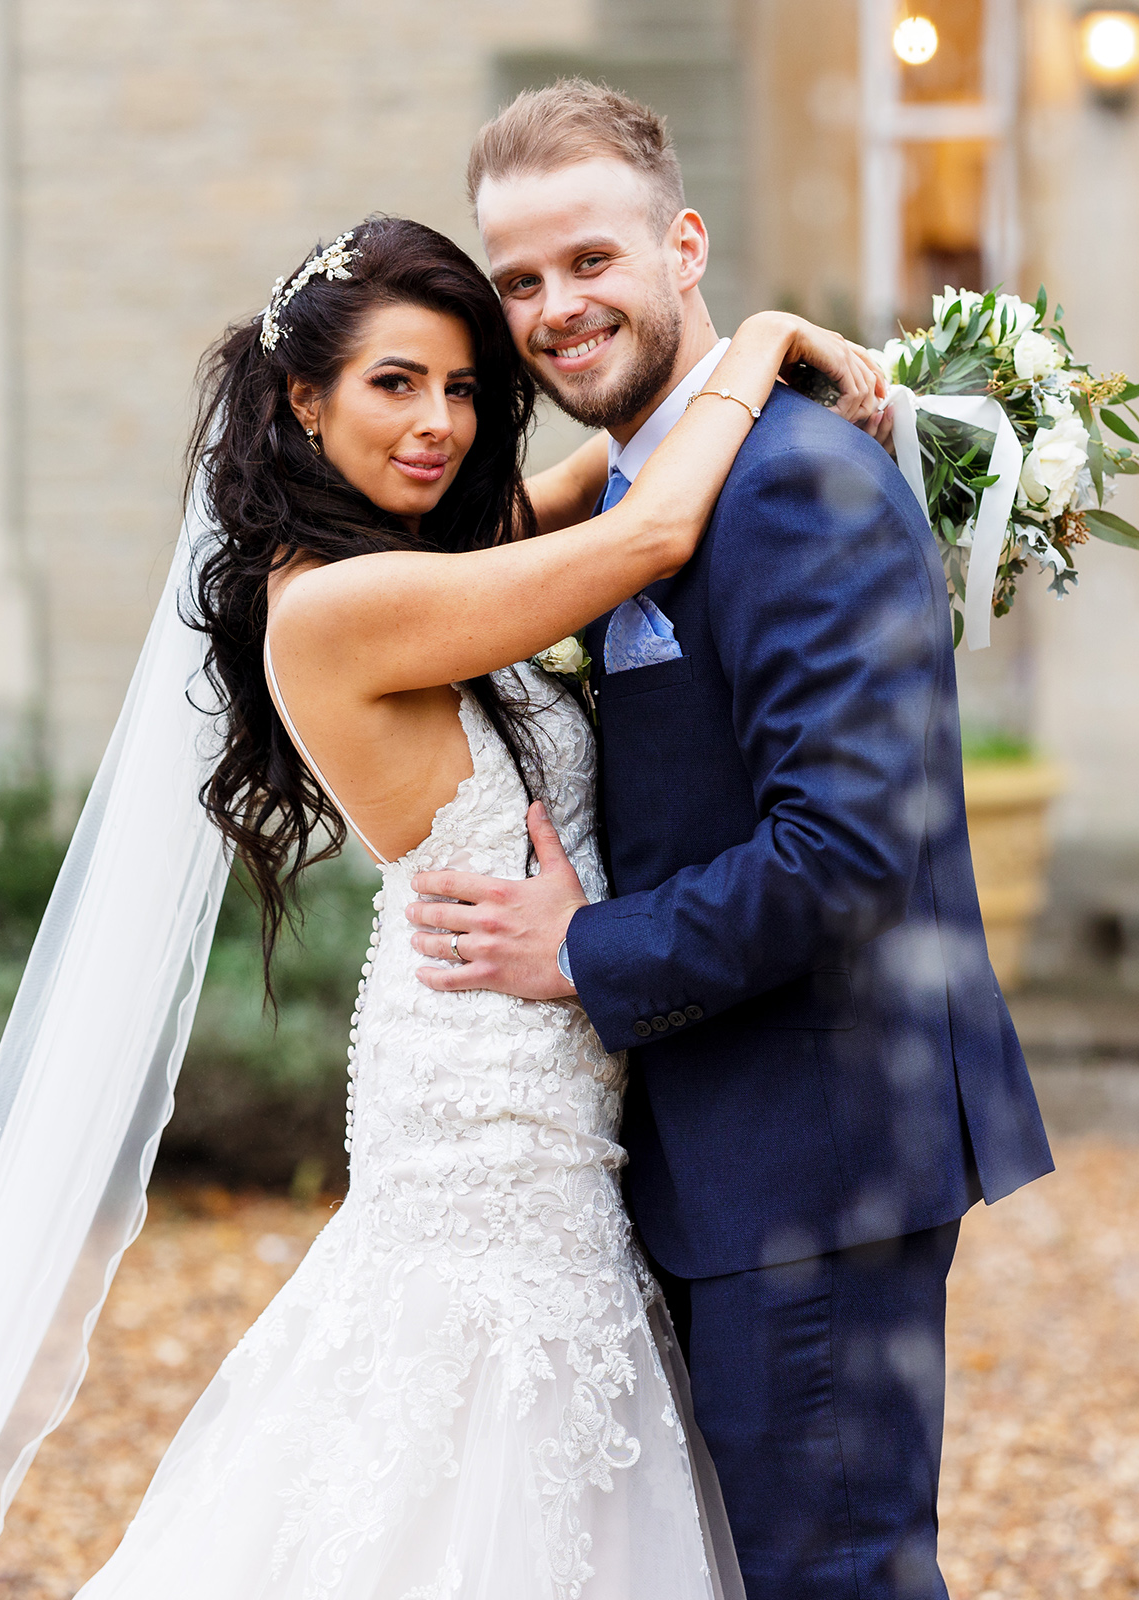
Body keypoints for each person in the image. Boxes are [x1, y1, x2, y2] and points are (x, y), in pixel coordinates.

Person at [67, 216, 887, 1599]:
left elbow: (572, 494)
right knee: (473, 1461)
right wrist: (761, 337)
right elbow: (651, 527)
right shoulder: (339, 607)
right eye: (396, 385)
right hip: (488, 1085)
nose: (440, 424)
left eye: (460, 387)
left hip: (540, 1043)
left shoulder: (405, 570)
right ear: (301, 401)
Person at [400, 82, 1057, 1600]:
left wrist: (581, 952)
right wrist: (758, 349)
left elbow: (841, 849)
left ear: (683, 245)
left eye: (590, 262)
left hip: (812, 1153)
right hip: (717, 1153)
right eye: (519, 282)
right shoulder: (648, 488)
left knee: (836, 1578)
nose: (557, 310)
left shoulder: (801, 491)